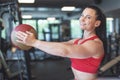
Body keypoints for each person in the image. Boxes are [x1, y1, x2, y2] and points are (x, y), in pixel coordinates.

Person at [16, 5, 106, 80]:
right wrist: (32, 41)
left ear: (97, 23)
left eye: (88, 17)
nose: (82, 19)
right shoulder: (77, 41)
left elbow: (65, 51)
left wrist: (34, 42)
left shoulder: (95, 44)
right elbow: (59, 47)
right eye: (82, 15)